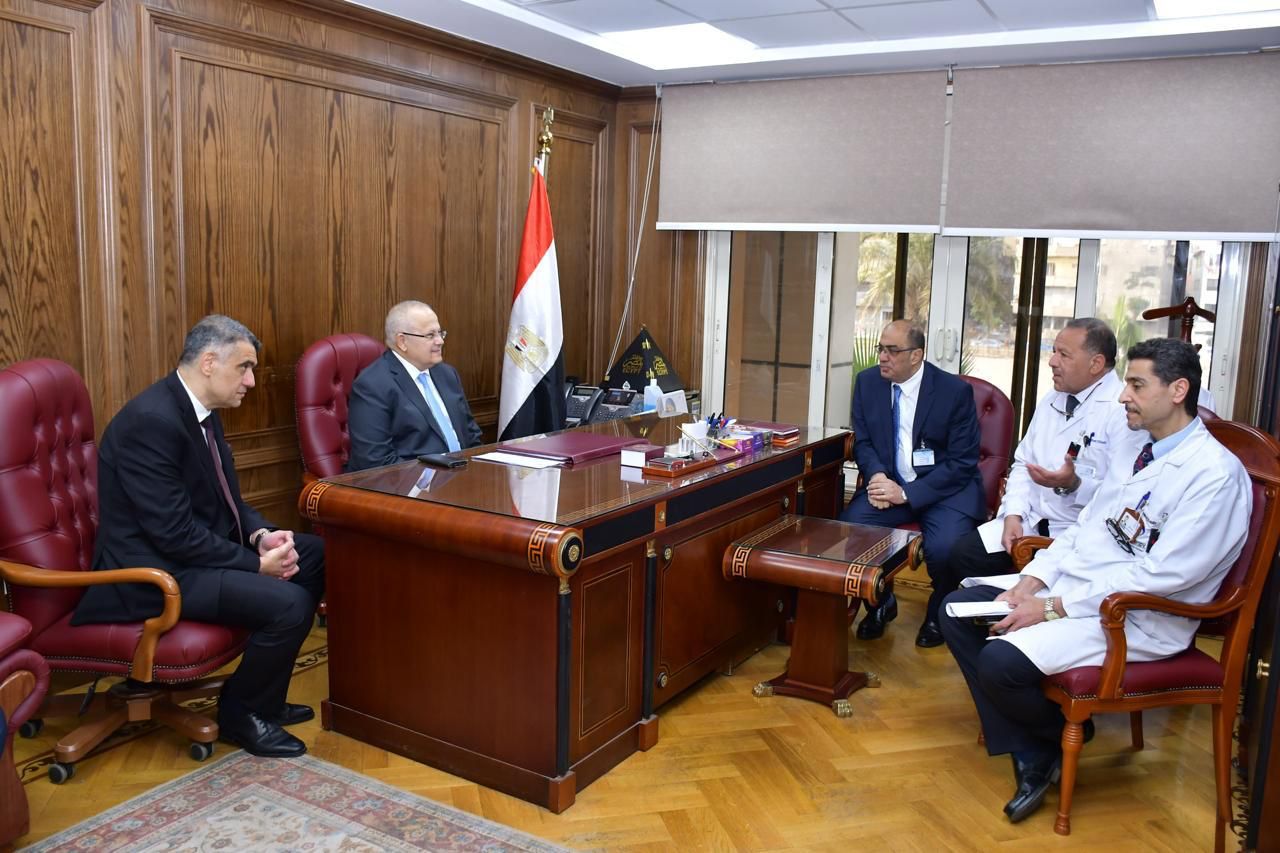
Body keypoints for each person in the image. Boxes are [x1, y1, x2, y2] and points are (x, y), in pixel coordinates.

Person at [939, 337, 1251, 824]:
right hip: (1083, 590)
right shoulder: (1139, 451)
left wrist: (1051, 607)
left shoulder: (1215, 476)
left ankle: (1040, 748)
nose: (1123, 396)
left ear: (1178, 391)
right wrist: (1033, 580)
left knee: (1000, 662)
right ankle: (1041, 743)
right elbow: (1086, 527)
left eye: (1136, 385)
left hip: (1137, 615)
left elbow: (1162, 575)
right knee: (957, 612)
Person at [73, 315, 326, 758]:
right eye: (244, 368)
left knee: (316, 554)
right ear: (209, 362)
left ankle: (264, 700)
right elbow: (173, 534)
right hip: (152, 574)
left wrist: (260, 536)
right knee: (290, 604)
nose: (250, 381)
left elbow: (227, 501)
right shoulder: (152, 422)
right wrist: (256, 566)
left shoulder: (200, 412)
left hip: (189, 556)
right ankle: (242, 714)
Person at [948, 318, 1147, 577]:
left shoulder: (1122, 413)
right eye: (1054, 352)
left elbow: (1120, 496)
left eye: (1063, 355)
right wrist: (1013, 514)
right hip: (1029, 519)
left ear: (1096, 364)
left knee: (1013, 586)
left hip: (1076, 533)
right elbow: (1023, 463)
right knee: (960, 556)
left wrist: (1074, 484)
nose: (1052, 361)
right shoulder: (1053, 399)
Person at [839, 320, 985, 647]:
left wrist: (906, 493)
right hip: (890, 483)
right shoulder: (867, 383)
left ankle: (938, 614)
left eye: (892, 351)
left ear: (916, 355)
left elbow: (962, 462)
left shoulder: (953, 392)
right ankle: (879, 602)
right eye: (880, 349)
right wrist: (877, 476)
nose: (882, 357)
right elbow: (864, 442)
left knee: (947, 549)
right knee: (852, 529)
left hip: (945, 492)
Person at [347, 301, 483, 472]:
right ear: (402, 341)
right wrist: (434, 480)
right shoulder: (372, 385)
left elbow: (472, 436)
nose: (440, 341)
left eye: (440, 333)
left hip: (462, 476)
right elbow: (376, 461)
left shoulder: (447, 374)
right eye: (430, 335)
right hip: (411, 483)